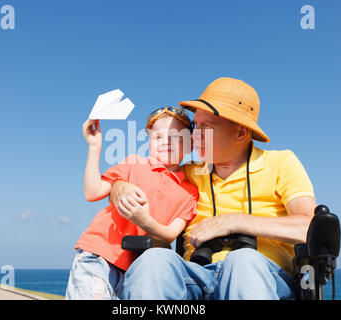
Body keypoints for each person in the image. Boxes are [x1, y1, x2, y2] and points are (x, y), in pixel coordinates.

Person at [112, 77, 318, 300]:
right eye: (195, 125)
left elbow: (310, 228)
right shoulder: (187, 172)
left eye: (206, 127)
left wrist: (234, 221)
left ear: (241, 133)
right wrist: (119, 187)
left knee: (243, 260)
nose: (193, 134)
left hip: (259, 277)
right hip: (196, 276)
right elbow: (136, 178)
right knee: (153, 261)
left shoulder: (281, 163)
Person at [65, 107, 198, 300]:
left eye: (176, 136)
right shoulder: (134, 163)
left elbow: (170, 234)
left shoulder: (190, 191)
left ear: (190, 144)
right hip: (99, 254)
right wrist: (94, 147)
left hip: (135, 271)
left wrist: (143, 220)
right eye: (158, 137)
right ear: (149, 142)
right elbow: (92, 192)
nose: (166, 142)